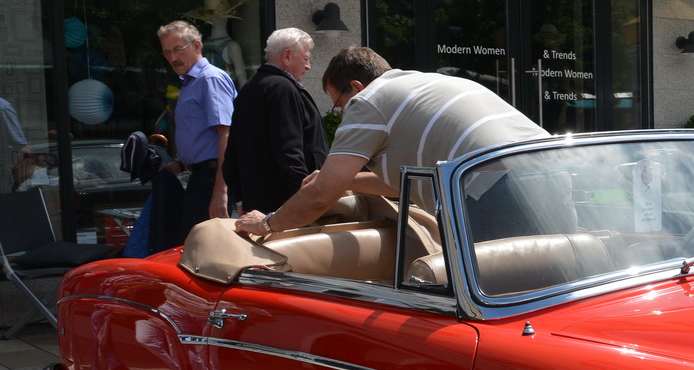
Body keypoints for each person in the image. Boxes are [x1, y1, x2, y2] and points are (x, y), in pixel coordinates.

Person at [234, 46, 547, 239]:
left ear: (355, 87)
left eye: (339, 104)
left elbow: (320, 196)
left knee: (506, 307)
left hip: (495, 189)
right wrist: (349, 181)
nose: (342, 114)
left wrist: (269, 223)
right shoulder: (428, 84)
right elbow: (406, 183)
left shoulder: (369, 101)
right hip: (552, 169)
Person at [223, 27, 326, 215]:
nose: (308, 66)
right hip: (287, 209)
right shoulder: (283, 89)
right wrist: (306, 200)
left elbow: (231, 158)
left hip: (256, 206)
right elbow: (289, 153)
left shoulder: (248, 89)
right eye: (305, 59)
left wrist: (240, 199)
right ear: (287, 56)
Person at [157, 19, 236, 247]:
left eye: (178, 49)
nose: (173, 58)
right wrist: (180, 166)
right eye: (167, 52)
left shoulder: (209, 79)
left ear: (197, 45)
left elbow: (227, 135)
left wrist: (220, 191)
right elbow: (202, 137)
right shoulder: (191, 82)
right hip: (200, 176)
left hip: (212, 180)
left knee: (200, 251)